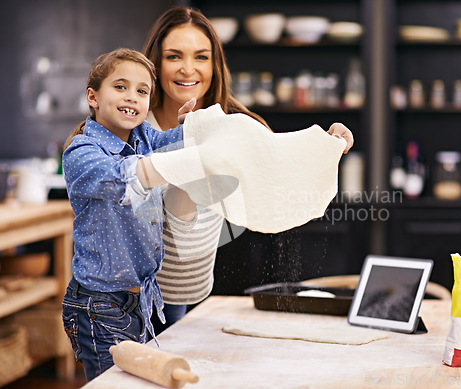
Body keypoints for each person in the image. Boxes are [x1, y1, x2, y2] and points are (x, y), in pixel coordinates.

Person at [142, 6, 355, 335]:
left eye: (201, 57)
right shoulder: (137, 126)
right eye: (174, 56)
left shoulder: (233, 126)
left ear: (215, 65)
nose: (188, 69)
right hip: (130, 292)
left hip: (188, 291)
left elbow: (277, 163)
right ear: (155, 63)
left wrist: (327, 146)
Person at [61, 48, 196, 382]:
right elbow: (127, 176)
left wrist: (194, 129)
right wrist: (184, 154)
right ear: (92, 96)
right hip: (98, 306)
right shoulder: (81, 152)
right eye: (120, 87)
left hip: (136, 302)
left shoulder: (143, 137)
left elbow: (174, 143)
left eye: (142, 91)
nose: (132, 97)